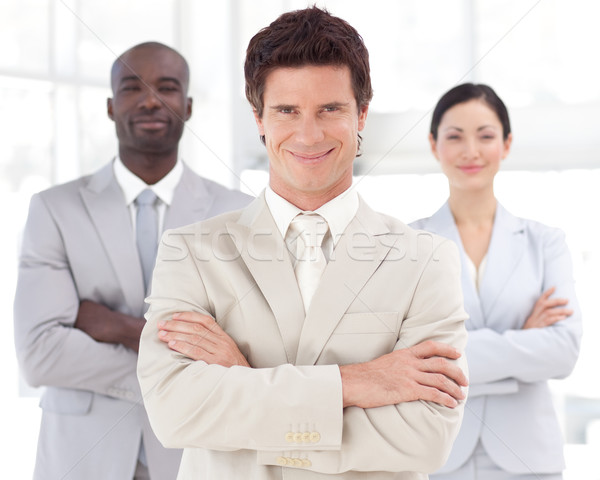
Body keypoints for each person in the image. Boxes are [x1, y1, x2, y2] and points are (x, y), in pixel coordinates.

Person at [138, 8, 469, 480]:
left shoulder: (425, 261)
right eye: (286, 110)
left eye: (330, 109)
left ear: (362, 114)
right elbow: (176, 411)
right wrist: (358, 383)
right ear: (259, 119)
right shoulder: (188, 253)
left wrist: (244, 383)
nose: (308, 134)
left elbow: (425, 438)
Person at [13, 41, 252, 480]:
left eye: (167, 87)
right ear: (109, 106)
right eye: (131, 87)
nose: (150, 100)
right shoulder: (54, 209)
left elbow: (252, 351)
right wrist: (181, 355)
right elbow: (40, 354)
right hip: (82, 457)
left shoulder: (239, 213)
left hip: (197, 456)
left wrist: (118, 327)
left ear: (189, 105)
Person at [410, 83, 582, 480]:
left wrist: (450, 359)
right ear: (434, 145)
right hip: (437, 456)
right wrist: (523, 340)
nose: (471, 150)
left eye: (485, 136)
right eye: (455, 136)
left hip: (529, 459)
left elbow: (564, 350)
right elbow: (403, 356)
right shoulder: (408, 244)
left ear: (506, 144)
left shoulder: (546, 242)